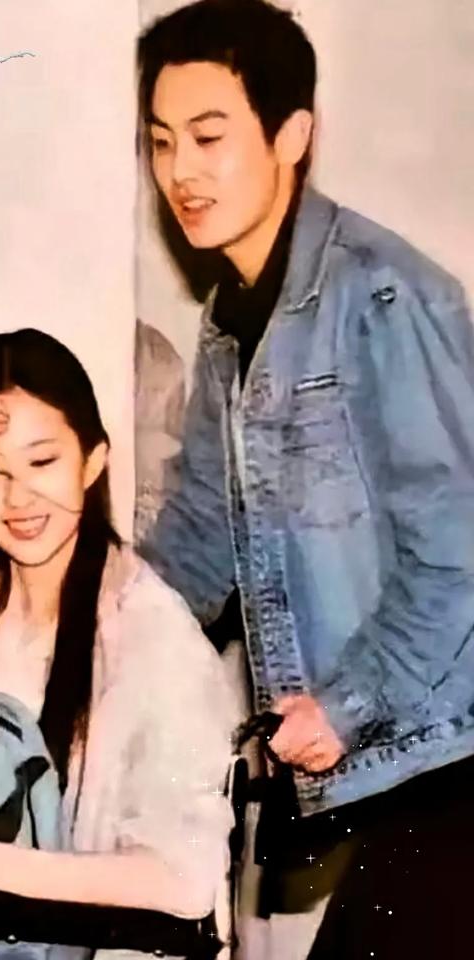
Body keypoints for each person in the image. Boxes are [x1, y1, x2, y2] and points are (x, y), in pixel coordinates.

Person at [135, 1, 474, 955]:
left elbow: (461, 552)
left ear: (292, 136)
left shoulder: (383, 295)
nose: (181, 171)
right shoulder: (230, 317)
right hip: (402, 773)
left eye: (209, 136)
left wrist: (348, 702)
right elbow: (202, 538)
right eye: (161, 142)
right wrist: (86, 623)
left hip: (453, 761)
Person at [0, 328, 237, 955]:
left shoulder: (149, 629)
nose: (17, 497)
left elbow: (185, 879)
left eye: (42, 462)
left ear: (93, 462)